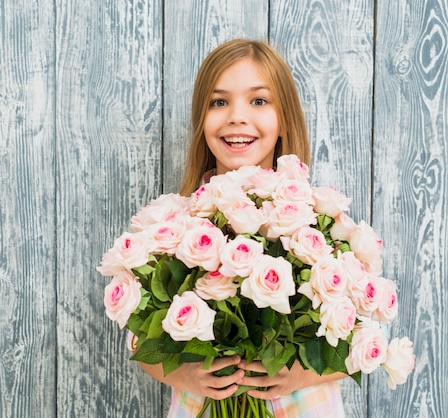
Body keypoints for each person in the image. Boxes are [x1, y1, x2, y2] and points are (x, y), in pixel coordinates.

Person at [137, 38, 347, 418]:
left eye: (259, 101)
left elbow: (360, 343)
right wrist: (186, 376)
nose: (236, 116)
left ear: (284, 120)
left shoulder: (318, 223)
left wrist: (301, 376)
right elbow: (140, 343)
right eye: (219, 102)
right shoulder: (174, 226)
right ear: (202, 121)